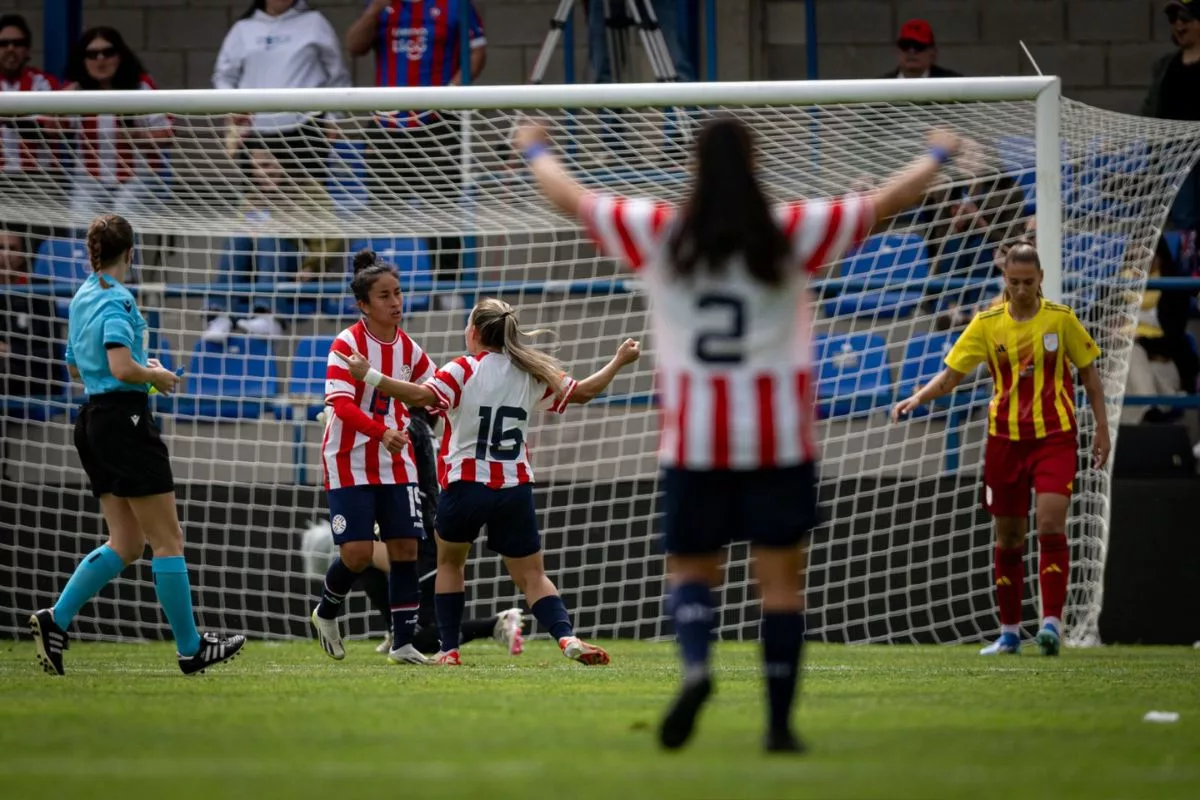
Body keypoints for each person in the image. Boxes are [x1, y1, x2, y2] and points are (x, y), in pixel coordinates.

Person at [513, 115, 958, 752]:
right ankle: (778, 726)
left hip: (697, 442)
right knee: (779, 584)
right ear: (755, 164)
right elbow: (889, 201)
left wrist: (534, 146)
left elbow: (568, 196)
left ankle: (696, 669)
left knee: (692, 570)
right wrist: (938, 150)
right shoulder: (789, 232)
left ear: (694, 167)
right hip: (779, 440)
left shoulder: (663, 234)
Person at [333, 297, 640, 667]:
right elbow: (584, 392)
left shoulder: (463, 369)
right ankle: (567, 636)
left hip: (465, 485)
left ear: (474, 332)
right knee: (532, 575)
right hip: (514, 487)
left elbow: (420, 395)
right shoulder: (529, 371)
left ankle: (449, 651)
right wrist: (620, 360)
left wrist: (369, 375)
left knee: (450, 565)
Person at [29, 214, 245, 677]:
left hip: (91, 420)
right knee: (168, 539)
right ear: (131, 252)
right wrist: (156, 375)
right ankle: (190, 648)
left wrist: (133, 369)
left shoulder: (82, 296)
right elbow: (123, 368)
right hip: (123, 420)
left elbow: (75, 369)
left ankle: (56, 618)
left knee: (126, 543)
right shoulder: (118, 300)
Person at [892, 243, 1111, 656]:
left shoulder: (1060, 321)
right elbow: (950, 377)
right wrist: (915, 399)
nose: (1023, 289)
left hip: (1055, 438)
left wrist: (1101, 428)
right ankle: (1009, 633)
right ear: (1004, 280)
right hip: (1004, 443)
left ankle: (1050, 625)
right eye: (1015, 282)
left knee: (1050, 523)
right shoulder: (987, 323)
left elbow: (1089, 375)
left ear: (1041, 278)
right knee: (1009, 538)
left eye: (1029, 282)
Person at [309, 250, 438, 666]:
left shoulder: (410, 350)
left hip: (396, 458)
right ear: (363, 305)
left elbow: (432, 391)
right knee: (358, 554)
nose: (396, 302)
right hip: (348, 457)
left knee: (405, 548)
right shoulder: (347, 343)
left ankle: (403, 644)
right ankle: (327, 610)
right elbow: (341, 406)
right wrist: (382, 432)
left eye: (398, 293)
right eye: (384, 296)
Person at [345, 0, 488, 292]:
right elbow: (354, 46)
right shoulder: (381, 7)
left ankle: (447, 288)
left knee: (442, 209)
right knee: (382, 213)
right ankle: (378, 290)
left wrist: (452, 92)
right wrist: (374, 10)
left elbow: (478, 50)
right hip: (386, 125)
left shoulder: (455, 5)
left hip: (437, 124)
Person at [214, 0, 350, 183]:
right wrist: (235, 110)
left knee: (309, 202)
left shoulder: (314, 22)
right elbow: (224, 77)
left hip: (306, 129)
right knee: (257, 204)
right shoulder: (243, 28)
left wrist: (333, 118)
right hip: (256, 132)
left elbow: (337, 73)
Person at [63, 27, 171, 227]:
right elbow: (54, 128)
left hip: (138, 177)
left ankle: (126, 259)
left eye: (108, 52)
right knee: (81, 222)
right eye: (92, 54)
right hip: (90, 179)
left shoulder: (141, 87)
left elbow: (167, 134)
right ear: (83, 59)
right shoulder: (75, 92)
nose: (100, 59)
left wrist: (137, 135)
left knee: (120, 220)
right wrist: (58, 104)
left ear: (120, 55)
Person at [1121, 236, 1199, 424]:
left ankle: (1146, 417)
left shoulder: (1172, 287)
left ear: (1159, 256)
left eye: (1143, 257)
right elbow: (1102, 330)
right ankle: (1150, 412)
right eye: (1132, 258)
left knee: (1130, 354)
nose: (1137, 264)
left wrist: (1140, 339)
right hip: (1131, 368)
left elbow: (1171, 341)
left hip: (1164, 363)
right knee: (1127, 358)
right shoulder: (1117, 287)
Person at [1141, 1, 1200, 233]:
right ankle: (1190, 265)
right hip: (1175, 152)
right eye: (1173, 19)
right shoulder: (1166, 65)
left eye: (1185, 18)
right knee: (1183, 216)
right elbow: (1151, 107)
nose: (1178, 24)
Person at [0, 229, 59, 397]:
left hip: (30, 373)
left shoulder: (40, 290)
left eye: (12, 248)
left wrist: (10, 350)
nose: (6, 254)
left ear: (23, 254)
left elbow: (51, 350)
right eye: (1, 247)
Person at [882, 19, 963, 79]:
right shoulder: (881, 85)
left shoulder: (952, 83)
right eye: (905, 45)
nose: (912, 51)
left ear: (933, 52)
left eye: (919, 46)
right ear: (897, 51)